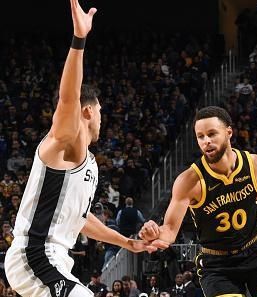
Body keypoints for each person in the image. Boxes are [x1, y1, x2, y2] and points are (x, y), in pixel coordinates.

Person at [4, 1, 167, 297]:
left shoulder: (88, 163)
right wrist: (79, 39)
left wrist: (127, 243)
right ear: (88, 111)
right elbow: (68, 100)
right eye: (101, 111)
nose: (104, 117)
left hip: (55, 259)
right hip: (35, 254)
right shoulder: (65, 143)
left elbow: (81, 219)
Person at [139, 106, 257, 297]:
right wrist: (155, 233)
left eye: (212, 134)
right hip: (217, 263)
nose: (206, 141)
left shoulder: (256, 165)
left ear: (229, 132)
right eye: (201, 136)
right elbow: (170, 230)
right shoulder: (189, 181)